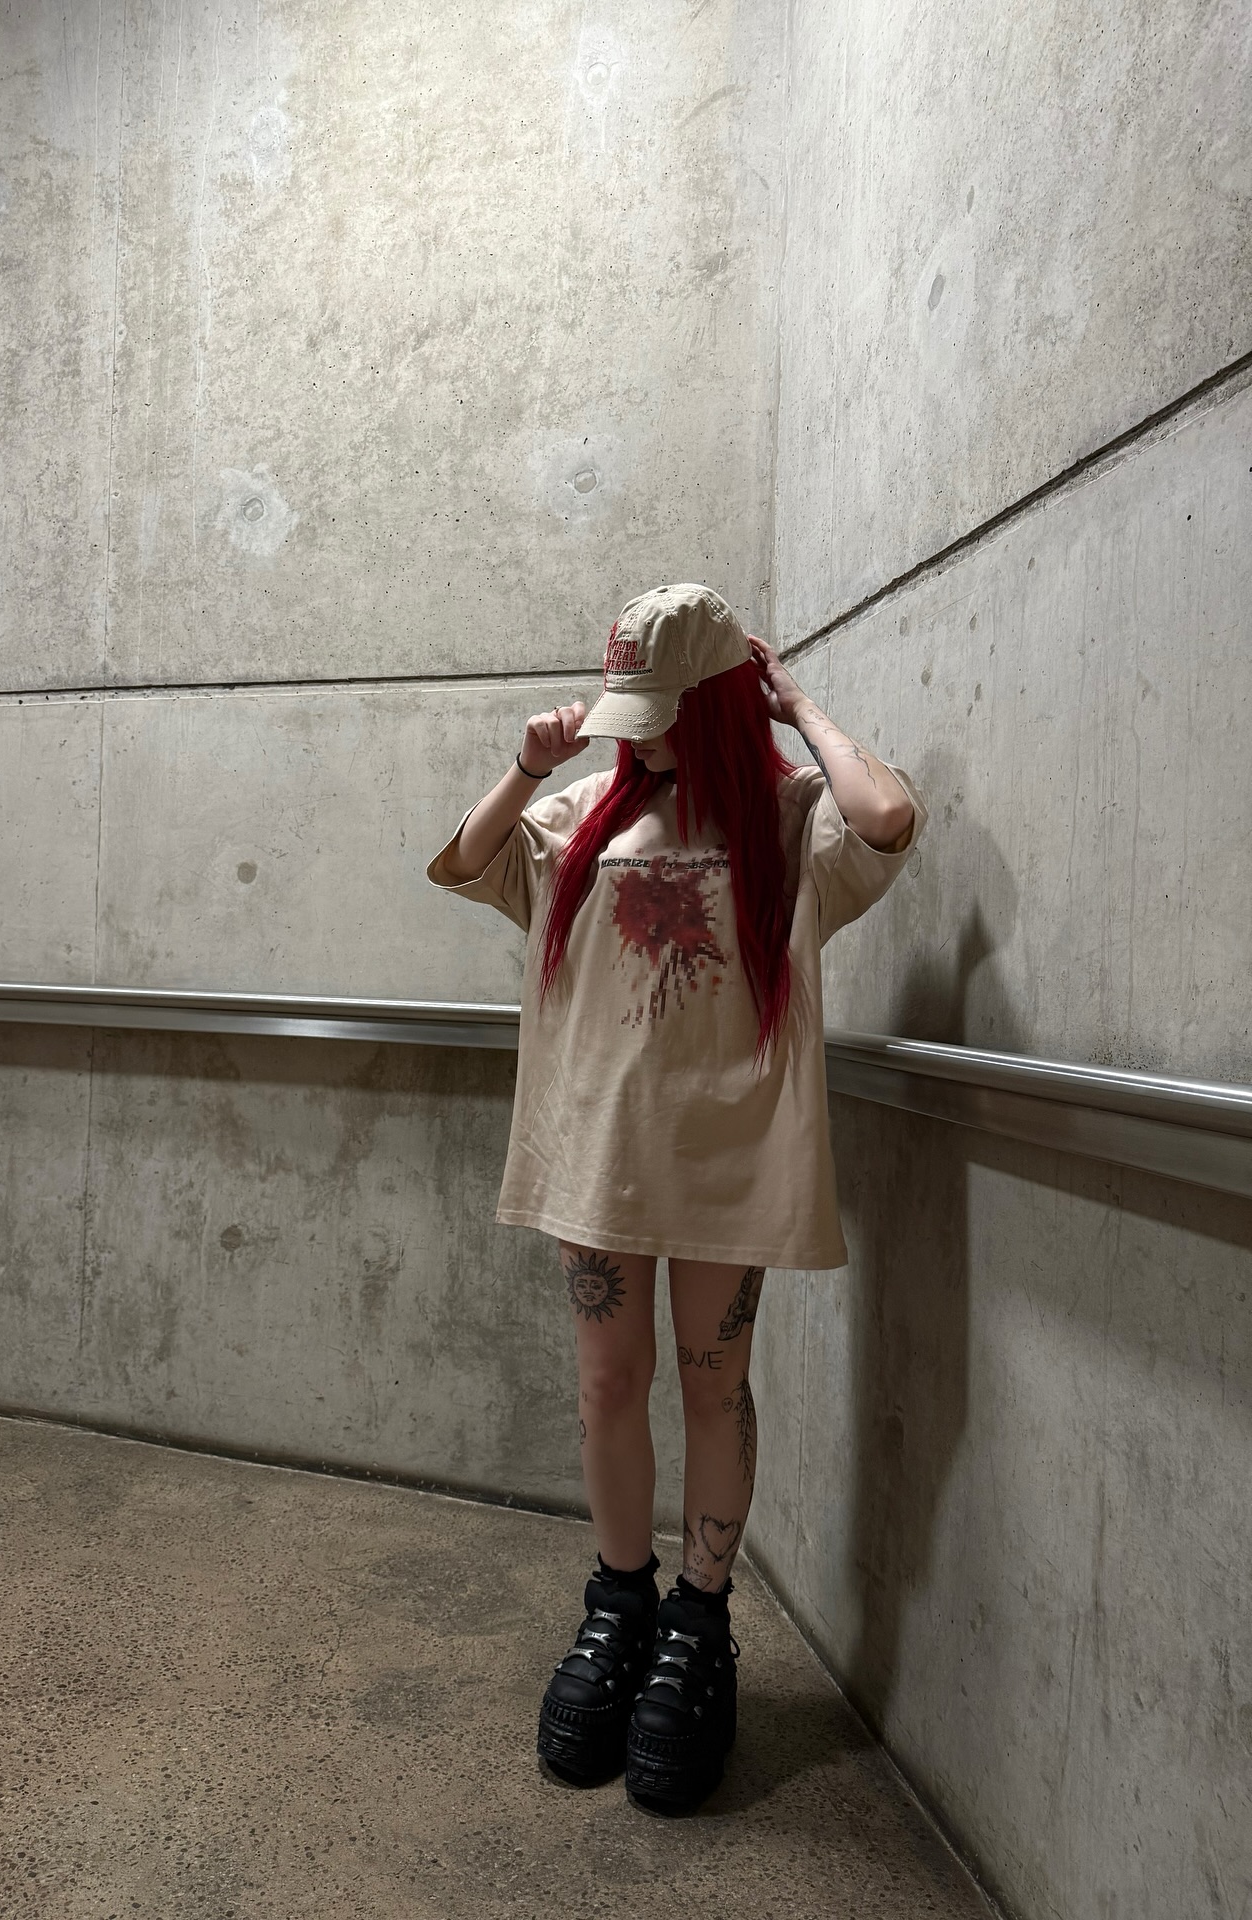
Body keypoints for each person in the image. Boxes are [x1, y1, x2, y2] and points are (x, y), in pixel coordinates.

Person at [427, 582, 925, 1813]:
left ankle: (699, 1628)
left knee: (714, 1385)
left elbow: (889, 816)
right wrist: (526, 765)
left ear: (712, 706)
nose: (636, 735)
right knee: (608, 1383)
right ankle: (618, 1604)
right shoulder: (578, 817)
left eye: (659, 712)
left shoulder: (790, 819)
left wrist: (795, 703)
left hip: (727, 1160)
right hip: (599, 1156)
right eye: (627, 710)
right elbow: (464, 862)